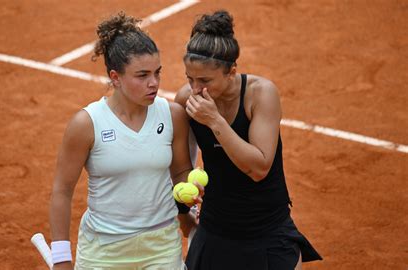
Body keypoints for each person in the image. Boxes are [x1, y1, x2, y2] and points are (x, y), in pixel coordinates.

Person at [49, 12, 200, 270]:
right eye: (142, 75)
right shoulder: (86, 124)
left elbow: (180, 173)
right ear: (115, 78)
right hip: (104, 250)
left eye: (157, 73)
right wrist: (61, 258)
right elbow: (62, 191)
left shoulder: (172, 115)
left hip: (161, 247)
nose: (153, 83)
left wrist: (191, 191)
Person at [175, 10, 322, 270]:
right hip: (214, 231)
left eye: (205, 80)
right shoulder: (187, 100)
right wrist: (185, 214)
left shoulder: (261, 94)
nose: (196, 88)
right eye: (190, 78)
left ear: (231, 71)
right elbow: (180, 168)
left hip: (268, 232)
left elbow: (259, 167)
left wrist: (215, 121)